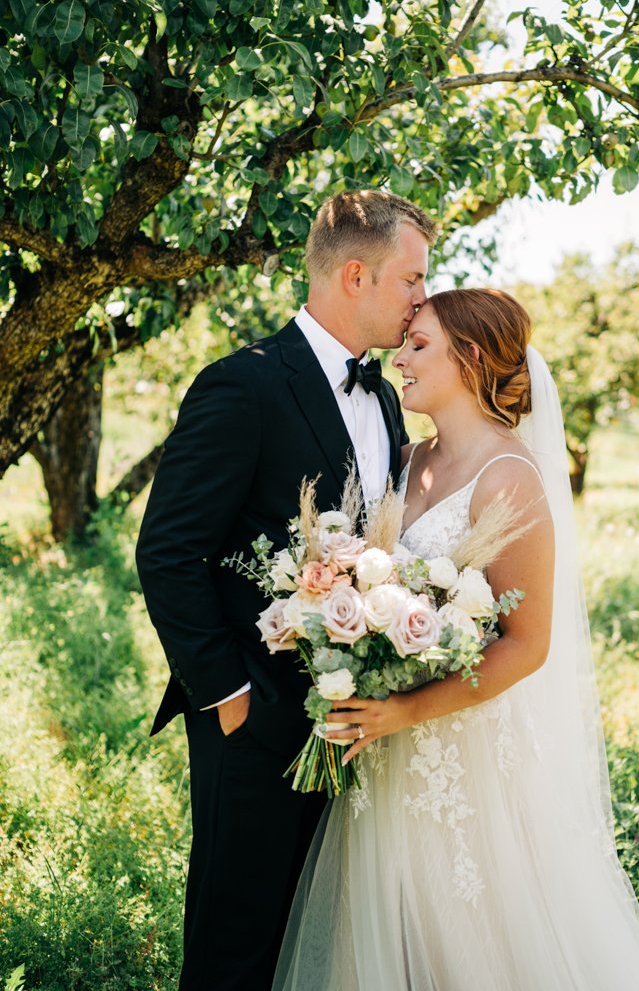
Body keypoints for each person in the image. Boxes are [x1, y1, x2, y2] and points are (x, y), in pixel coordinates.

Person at [272, 288, 639, 991]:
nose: (398, 358)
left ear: (469, 358)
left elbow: (528, 643)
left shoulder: (510, 479)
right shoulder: (408, 460)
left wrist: (403, 710)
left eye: (418, 345)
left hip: (460, 753)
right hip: (386, 750)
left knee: (477, 942)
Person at [135, 190, 437, 991]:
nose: (421, 299)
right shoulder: (243, 385)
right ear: (354, 275)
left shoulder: (383, 399)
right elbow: (168, 552)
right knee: (238, 942)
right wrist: (230, 696)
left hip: (357, 727)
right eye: (411, 280)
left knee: (320, 942)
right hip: (256, 721)